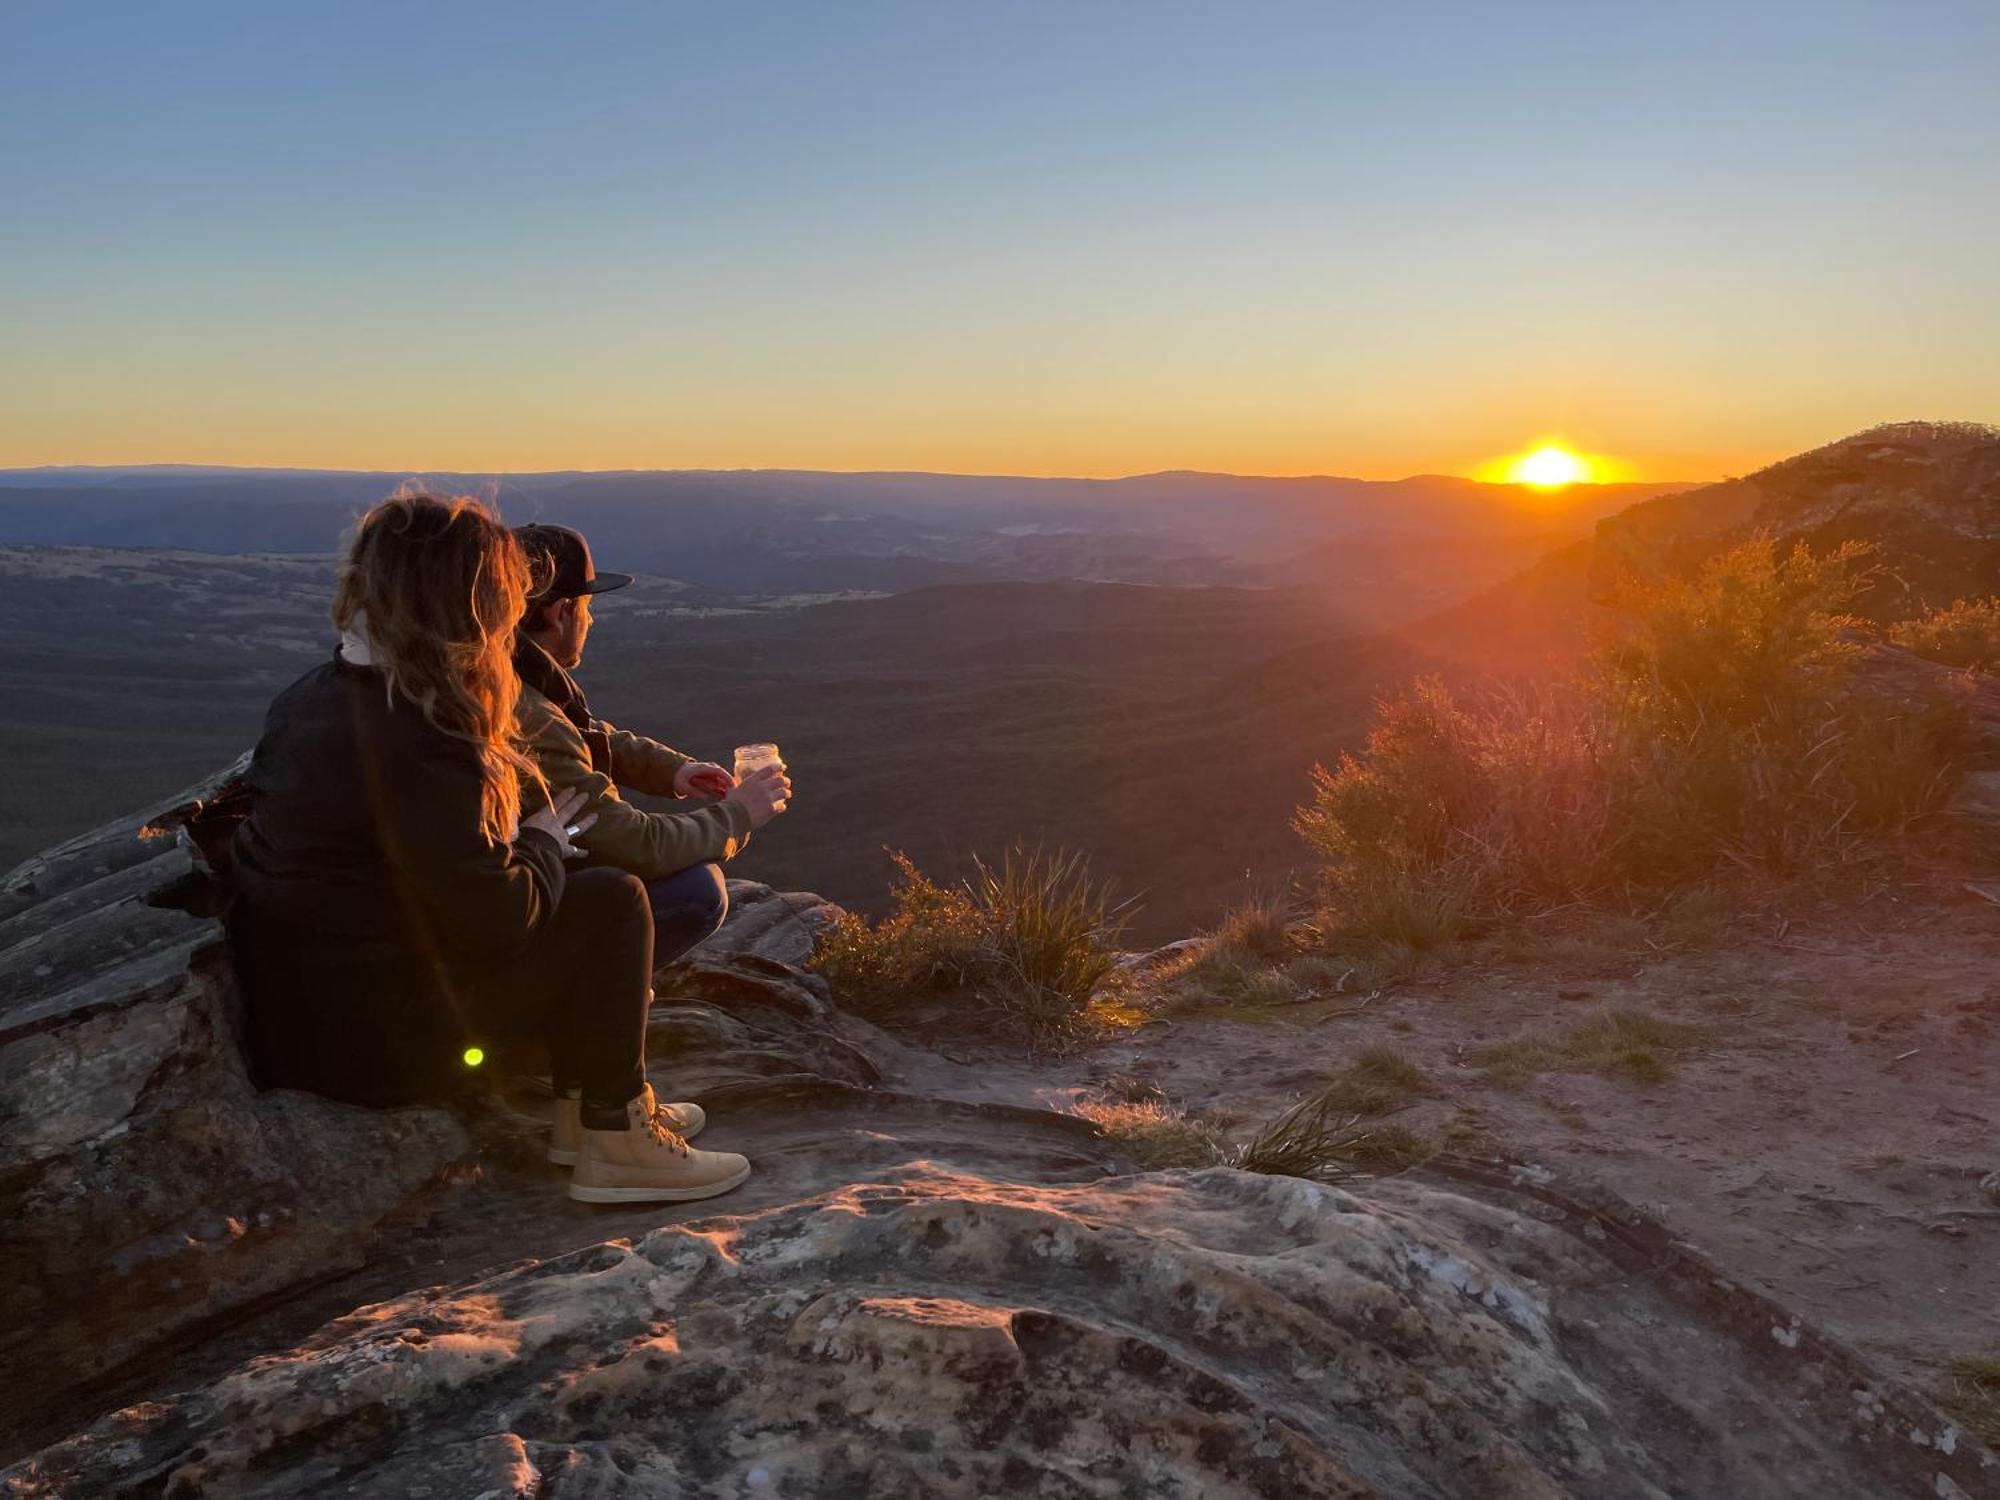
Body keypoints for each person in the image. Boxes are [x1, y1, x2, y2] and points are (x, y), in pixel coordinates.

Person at [228, 491, 751, 1204]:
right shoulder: (425, 734)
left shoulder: (321, 694)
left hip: (313, 1018)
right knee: (613, 900)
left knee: (595, 891)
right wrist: (538, 840)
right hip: (376, 1049)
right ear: (475, 600)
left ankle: (585, 1116)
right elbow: (500, 919)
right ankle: (617, 1145)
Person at [509, 523, 792, 1166]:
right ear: (559, 612)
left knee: (653, 890)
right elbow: (635, 843)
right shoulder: (524, 706)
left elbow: (587, 739)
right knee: (687, 891)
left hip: (503, 903)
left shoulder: (509, 675)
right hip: (510, 932)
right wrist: (736, 818)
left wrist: (671, 772)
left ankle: (588, 1096)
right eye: (587, 606)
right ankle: (598, 1103)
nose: (590, 620)